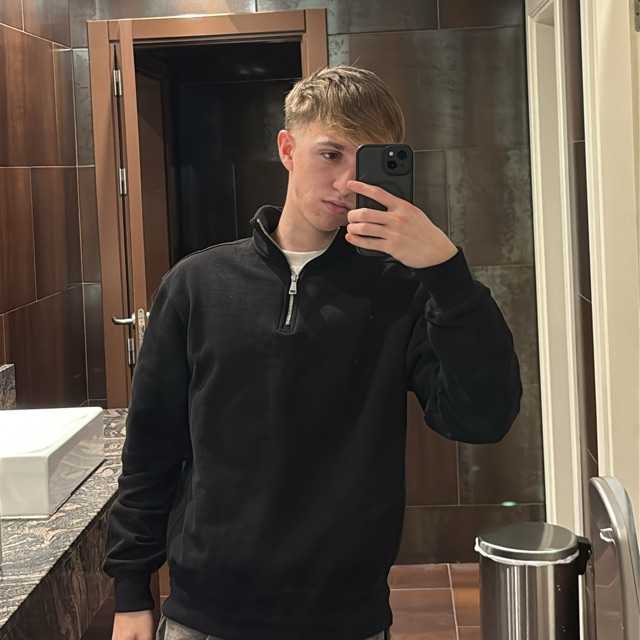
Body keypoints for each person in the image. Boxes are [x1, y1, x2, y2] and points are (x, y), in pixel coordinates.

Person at [105, 64, 523, 640]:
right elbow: (152, 445)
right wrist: (131, 590)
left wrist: (447, 274)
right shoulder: (197, 285)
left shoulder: (401, 292)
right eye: (330, 154)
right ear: (287, 149)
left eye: (366, 161)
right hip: (206, 612)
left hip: (344, 617)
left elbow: (482, 419)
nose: (347, 182)